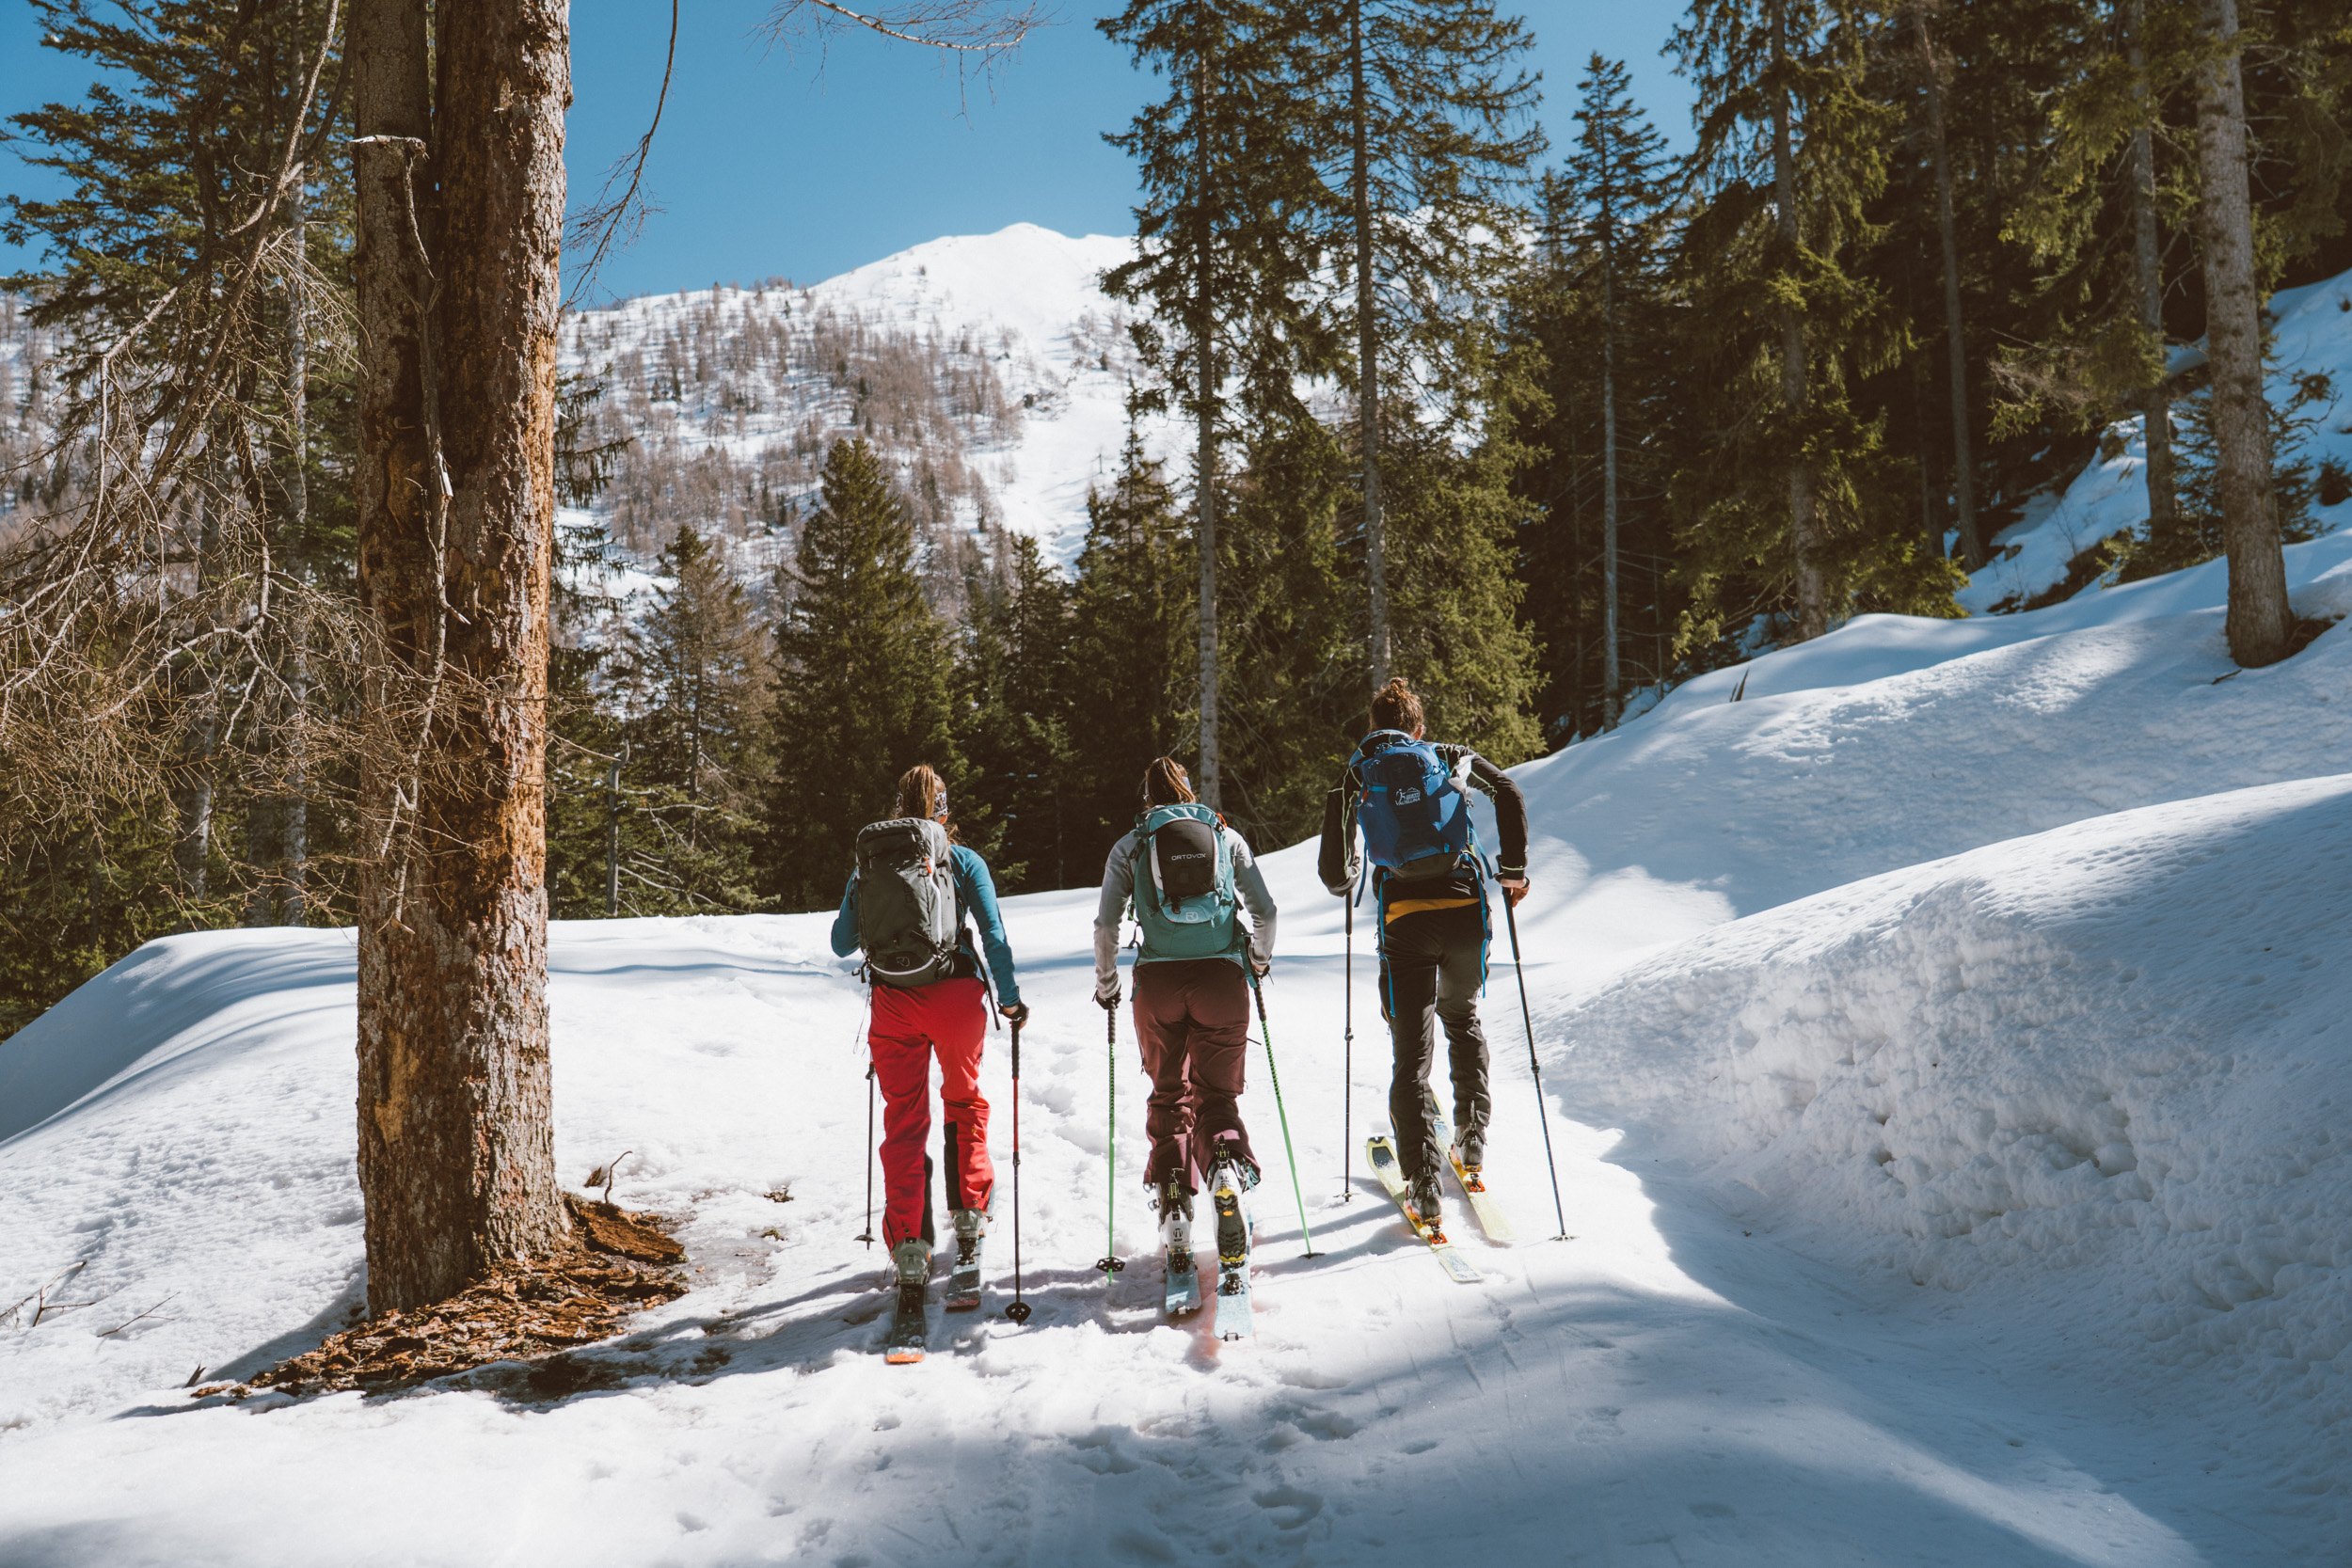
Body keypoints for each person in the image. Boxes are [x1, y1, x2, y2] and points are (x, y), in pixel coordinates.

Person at [1319, 676, 1528, 1230]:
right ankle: (1472, 1139)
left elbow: (1332, 874)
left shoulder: (1359, 770)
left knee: (1411, 1054)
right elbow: (1507, 790)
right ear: (1418, 728)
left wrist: (1352, 874)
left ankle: (1424, 1183)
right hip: (1464, 912)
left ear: (1373, 727)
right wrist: (1512, 872)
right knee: (1462, 1017)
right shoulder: (1445, 755)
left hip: (1404, 919)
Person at [832, 764, 1026, 1301]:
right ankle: (968, 1220)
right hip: (956, 999)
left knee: (904, 1120)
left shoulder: (870, 863)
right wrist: (1008, 1000)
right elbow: (993, 934)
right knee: (963, 1102)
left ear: (898, 810)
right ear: (944, 811)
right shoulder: (962, 860)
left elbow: (841, 942)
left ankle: (910, 1245)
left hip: (894, 1005)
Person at [1092, 757, 1279, 1247]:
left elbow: (1106, 927)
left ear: (1147, 797)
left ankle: (1175, 1200)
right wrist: (1257, 961)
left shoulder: (1130, 846)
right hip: (1222, 980)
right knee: (1216, 1097)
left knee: (1169, 1096)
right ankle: (1223, 1170)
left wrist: (1108, 983)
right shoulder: (1224, 836)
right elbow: (1267, 911)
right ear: (1188, 791)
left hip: (1156, 986)